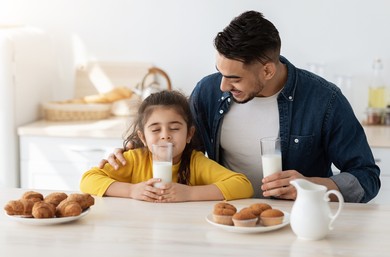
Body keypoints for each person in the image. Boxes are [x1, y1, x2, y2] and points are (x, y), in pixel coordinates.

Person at [100, 11, 380, 203]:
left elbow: (367, 178)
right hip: (225, 217)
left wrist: (312, 186)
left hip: (295, 219)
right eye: (220, 72)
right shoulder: (208, 92)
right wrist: (129, 155)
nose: (222, 86)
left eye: (234, 78)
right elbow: (178, 149)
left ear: (267, 71)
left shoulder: (324, 100)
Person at [81, 90, 253, 202]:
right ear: (143, 136)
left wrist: (190, 194)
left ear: (189, 134)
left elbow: (243, 185)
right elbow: (88, 180)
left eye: (175, 128)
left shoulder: (195, 163)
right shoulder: (134, 159)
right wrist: (132, 190)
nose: (165, 135)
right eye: (155, 129)